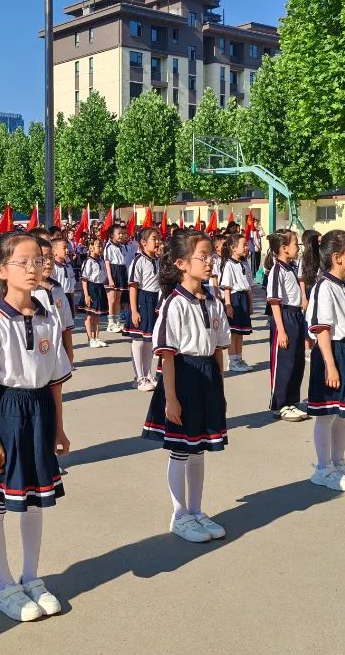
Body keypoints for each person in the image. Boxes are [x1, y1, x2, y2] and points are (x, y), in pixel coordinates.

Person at [0, 232, 71, 622]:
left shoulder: (47, 315)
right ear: (2, 271)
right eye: (22, 262)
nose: (33, 268)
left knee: (35, 498)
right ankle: (4, 584)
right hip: (7, 412)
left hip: (40, 410)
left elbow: (55, 379)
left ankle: (31, 576)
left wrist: (58, 428)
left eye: (37, 260)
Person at [141, 230, 230, 543]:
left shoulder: (214, 301)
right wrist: (171, 399)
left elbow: (219, 348)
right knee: (181, 449)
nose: (209, 263)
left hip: (206, 378)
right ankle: (179, 514)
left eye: (211, 256)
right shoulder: (173, 304)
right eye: (202, 257)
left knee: (199, 449)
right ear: (181, 263)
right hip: (182, 376)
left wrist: (219, 391)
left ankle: (195, 510)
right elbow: (166, 353)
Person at [301, 230, 345, 492]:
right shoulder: (324, 286)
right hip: (332, 352)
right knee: (327, 413)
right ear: (337, 257)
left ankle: (339, 462)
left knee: (344, 413)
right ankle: (323, 468)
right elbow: (322, 329)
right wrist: (330, 365)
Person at [265, 229, 307, 422]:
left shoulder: (291, 267)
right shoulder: (277, 270)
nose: (298, 247)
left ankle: (291, 401)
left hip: (296, 315)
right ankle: (280, 404)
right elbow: (274, 301)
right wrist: (281, 330)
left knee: (297, 361)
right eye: (295, 244)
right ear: (284, 248)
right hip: (284, 317)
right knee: (284, 362)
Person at [122, 227, 162, 391]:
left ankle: (148, 374)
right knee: (138, 340)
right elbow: (133, 286)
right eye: (154, 239)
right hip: (141, 300)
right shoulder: (138, 261)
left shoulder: (157, 260)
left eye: (158, 238)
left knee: (149, 341)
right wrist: (134, 310)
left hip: (154, 301)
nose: (158, 242)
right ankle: (139, 377)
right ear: (143, 243)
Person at [219, 233, 254, 373]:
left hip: (244, 298)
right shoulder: (229, 264)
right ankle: (232, 360)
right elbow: (227, 287)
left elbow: (249, 285)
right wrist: (228, 305)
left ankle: (239, 359)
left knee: (240, 332)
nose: (246, 247)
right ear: (233, 248)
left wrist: (250, 303)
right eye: (243, 245)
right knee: (233, 332)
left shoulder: (245, 263)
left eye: (247, 245)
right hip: (235, 299)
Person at [81, 238, 108, 348]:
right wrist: (86, 294)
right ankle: (90, 338)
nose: (101, 249)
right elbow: (84, 279)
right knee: (89, 315)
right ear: (91, 248)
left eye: (101, 246)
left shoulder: (101, 261)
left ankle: (97, 337)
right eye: (98, 246)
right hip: (91, 287)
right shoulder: (88, 261)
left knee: (97, 314)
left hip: (99, 287)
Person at [104, 224, 128, 334]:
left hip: (121, 270)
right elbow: (107, 263)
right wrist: (110, 278)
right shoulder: (109, 246)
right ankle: (111, 323)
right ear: (112, 235)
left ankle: (117, 321)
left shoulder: (121, 246)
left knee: (118, 299)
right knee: (112, 300)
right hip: (113, 271)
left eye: (122, 233)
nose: (121, 235)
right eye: (119, 233)